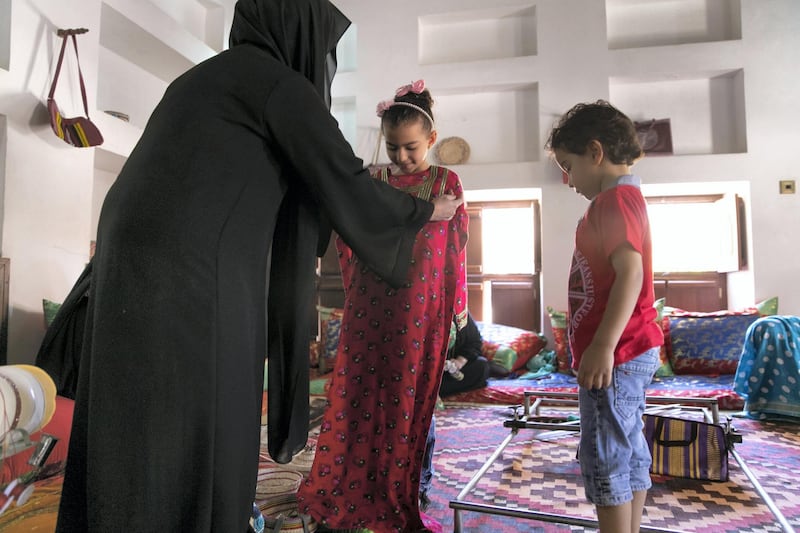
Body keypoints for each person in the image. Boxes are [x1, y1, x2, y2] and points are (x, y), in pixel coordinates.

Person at [53, 2, 463, 532]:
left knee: (132, 405)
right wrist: (425, 210)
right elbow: (344, 178)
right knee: (206, 407)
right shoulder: (278, 85)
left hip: (122, 255)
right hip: (196, 265)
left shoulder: (197, 80)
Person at [297, 80, 469, 533]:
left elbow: (457, 250)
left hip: (422, 311)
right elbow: (350, 234)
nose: (402, 158)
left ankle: (414, 484)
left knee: (415, 401)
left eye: (411, 148)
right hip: (371, 307)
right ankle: (358, 484)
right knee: (360, 394)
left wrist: (458, 310)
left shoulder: (446, 183)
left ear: (431, 139)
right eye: (393, 148)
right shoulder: (374, 181)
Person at [544, 100, 663, 533]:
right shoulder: (625, 198)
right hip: (632, 349)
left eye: (568, 165)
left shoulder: (614, 201)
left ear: (595, 153)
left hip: (620, 352)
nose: (566, 179)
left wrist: (603, 345)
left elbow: (629, 272)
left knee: (606, 454)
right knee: (627, 449)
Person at [419, 311, 488, 510]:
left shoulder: (462, 315)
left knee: (482, 367)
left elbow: (475, 345)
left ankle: (436, 387)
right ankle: (432, 387)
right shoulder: (423, 311)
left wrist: (457, 362)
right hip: (423, 370)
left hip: (450, 371)